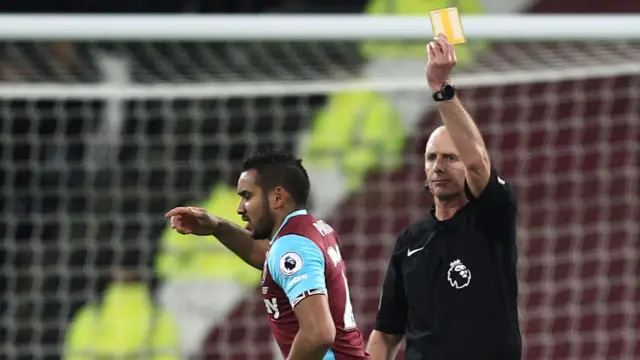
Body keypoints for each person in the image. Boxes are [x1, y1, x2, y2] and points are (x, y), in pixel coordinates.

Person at [366, 34, 522, 360]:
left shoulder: (493, 216)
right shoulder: (409, 242)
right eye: (431, 157)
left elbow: (478, 162)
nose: (438, 166)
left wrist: (441, 86)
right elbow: (385, 336)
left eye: (451, 158)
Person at [165, 150, 370, 360]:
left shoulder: (291, 246)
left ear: (278, 198)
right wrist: (217, 227)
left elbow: (318, 333)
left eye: (247, 196)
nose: (239, 208)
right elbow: (268, 259)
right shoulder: (313, 229)